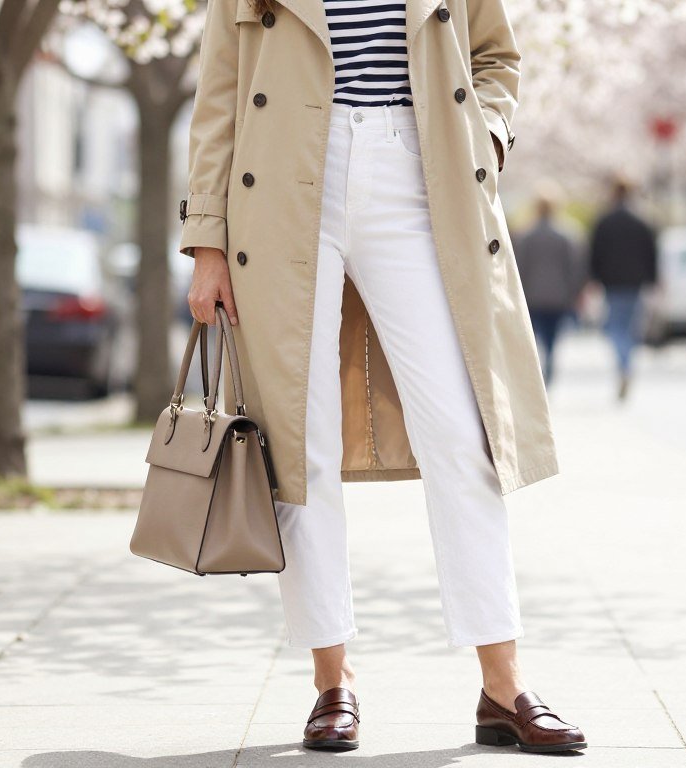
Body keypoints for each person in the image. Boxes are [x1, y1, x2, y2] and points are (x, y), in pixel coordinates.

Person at [178, 0, 586, 754]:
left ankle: (503, 684)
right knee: (302, 445)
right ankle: (333, 681)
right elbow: (221, 90)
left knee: (464, 436)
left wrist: (485, 134)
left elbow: (496, 56)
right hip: (287, 172)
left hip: (421, 166)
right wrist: (206, 240)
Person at [588, 177, 658, 400]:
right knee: (630, 328)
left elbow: (594, 253)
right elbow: (651, 254)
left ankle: (623, 364)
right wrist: (653, 279)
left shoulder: (604, 221)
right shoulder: (642, 221)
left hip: (612, 283)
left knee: (614, 328)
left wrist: (593, 278)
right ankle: (626, 365)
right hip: (635, 283)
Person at [513, 185, 584, 385]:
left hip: (532, 296)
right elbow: (575, 268)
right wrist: (574, 292)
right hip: (559, 296)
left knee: (533, 338)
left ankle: (536, 373)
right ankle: (549, 371)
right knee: (552, 339)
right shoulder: (568, 234)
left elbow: (519, 267)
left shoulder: (524, 235)